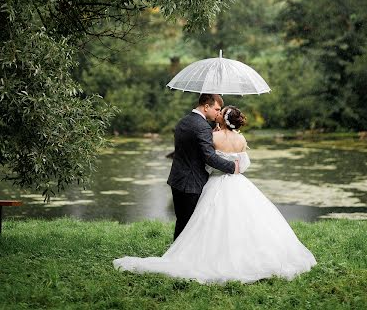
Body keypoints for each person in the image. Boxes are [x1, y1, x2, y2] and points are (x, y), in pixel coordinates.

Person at [113, 106, 316, 284]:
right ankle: (245, 254)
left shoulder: (214, 136)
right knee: (244, 219)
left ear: (222, 120)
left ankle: (208, 255)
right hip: (238, 183)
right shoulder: (242, 138)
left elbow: (208, 162)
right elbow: (244, 165)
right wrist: (235, 168)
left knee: (208, 220)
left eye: (220, 113)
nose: (217, 115)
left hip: (217, 183)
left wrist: (217, 151)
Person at [167, 93, 238, 240]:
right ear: (206, 106)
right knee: (192, 225)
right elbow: (209, 157)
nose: (218, 113)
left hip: (177, 179)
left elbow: (190, 146)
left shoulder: (183, 121)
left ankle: (176, 253)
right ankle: (181, 258)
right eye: (217, 109)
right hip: (192, 183)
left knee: (182, 221)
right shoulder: (203, 127)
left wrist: (209, 135)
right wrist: (232, 167)